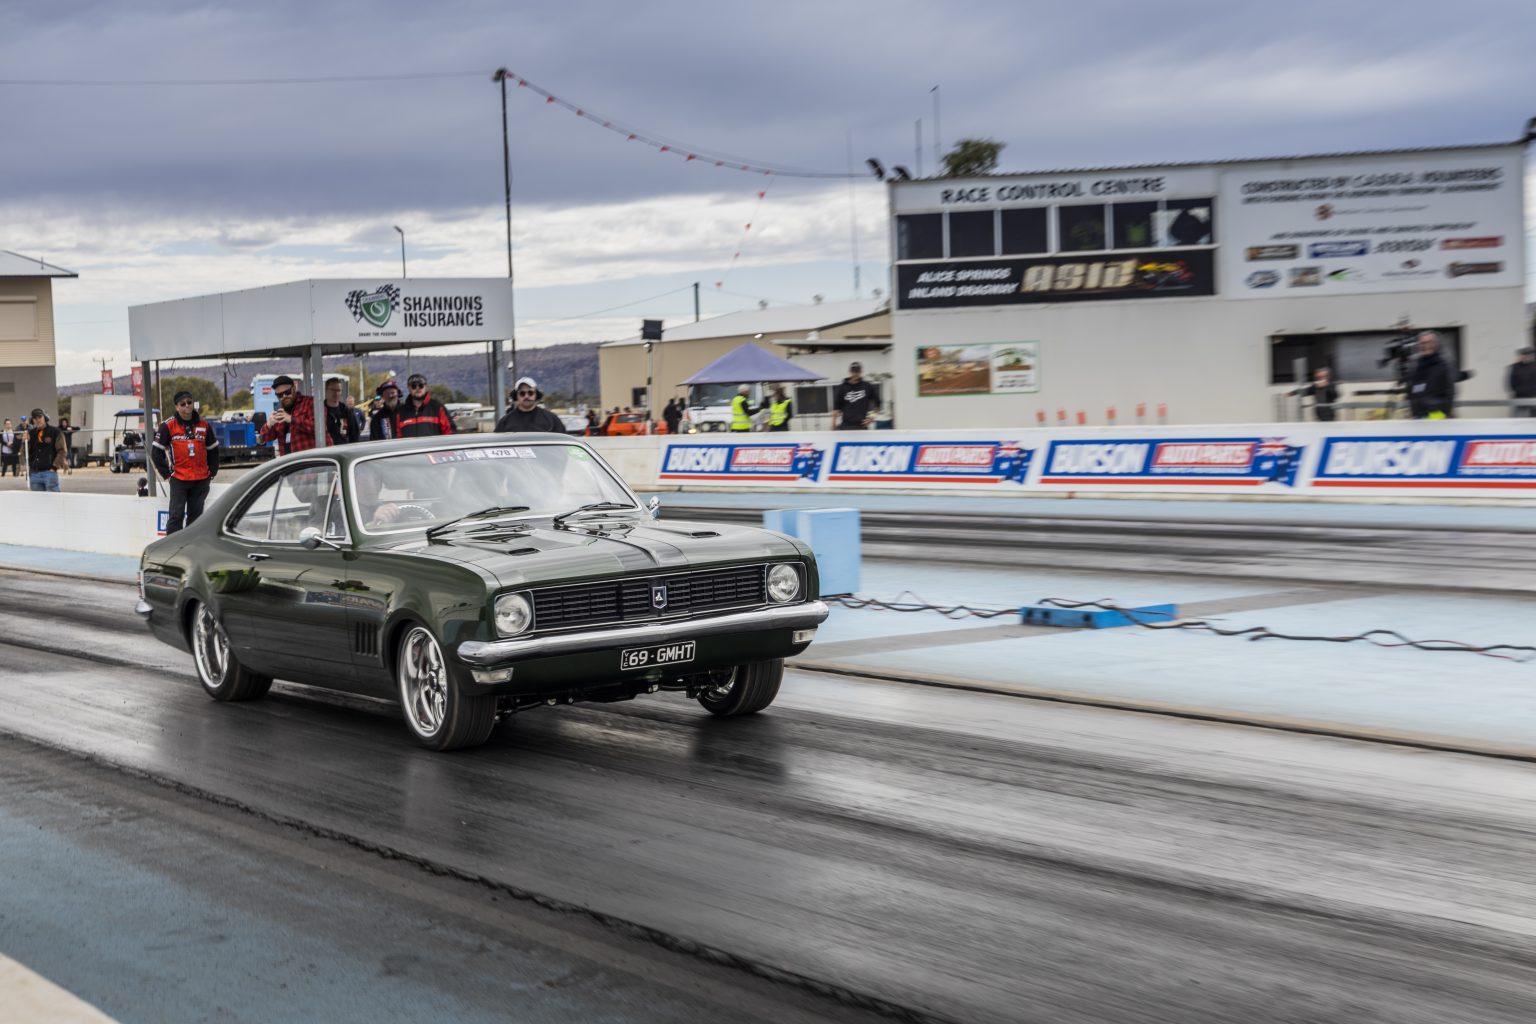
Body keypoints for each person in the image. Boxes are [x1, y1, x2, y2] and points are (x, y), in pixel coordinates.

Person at [151, 390, 220, 533]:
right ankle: (172, 550)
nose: (187, 406)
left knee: (195, 520)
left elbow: (213, 450)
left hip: (201, 480)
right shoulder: (168, 425)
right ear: (177, 407)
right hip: (179, 480)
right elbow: (156, 453)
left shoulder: (204, 425)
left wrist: (212, 473)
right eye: (183, 404)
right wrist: (168, 475)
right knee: (176, 516)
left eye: (189, 402)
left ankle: (191, 551)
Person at [256, 375, 317, 455]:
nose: (284, 397)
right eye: (280, 395)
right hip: (289, 462)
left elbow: (318, 428)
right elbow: (264, 439)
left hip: (309, 460)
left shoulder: (309, 402)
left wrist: (292, 419)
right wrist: (269, 424)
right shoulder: (279, 410)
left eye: (287, 392)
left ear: (294, 388)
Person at [1407, 331, 1455, 419]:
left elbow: (1450, 392)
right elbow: (1412, 391)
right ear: (1418, 345)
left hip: (1437, 415)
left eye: (1429, 342)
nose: (1426, 346)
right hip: (1418, 415)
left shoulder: (1444, 364)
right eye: (1423, 343)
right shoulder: (1416, 365)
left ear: (1436, 344)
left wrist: (1443, 414)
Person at [495, 376, 566, 433]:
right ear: (516, 396)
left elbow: (564, 442)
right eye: (522, 393)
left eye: (530, 393)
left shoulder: (551, 420)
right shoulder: (505, 422)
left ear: (536, 395)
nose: (526, 396)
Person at [25, 408, 64, 492]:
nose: (37, 420)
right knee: (38, 503)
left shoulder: (55, 432)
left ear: (45, 418)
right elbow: (25, 451)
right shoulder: (30, 433)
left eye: (40, 417)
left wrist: (54, 467)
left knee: (54, 500)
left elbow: (62, 451)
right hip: (34, 473)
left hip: (49, 472)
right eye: (35, 418)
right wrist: (25, 442)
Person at [833, 361, 880, 430]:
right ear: (849, 372)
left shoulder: (867, 386)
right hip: (845, 427)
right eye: (853, 371)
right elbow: (836, 408)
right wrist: (833, 424)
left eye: (857, 371)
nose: (855, 374)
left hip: (862, 426)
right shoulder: (841, 387)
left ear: (861, 372)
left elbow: (878, 403)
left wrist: (871, 418)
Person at [323, 376, 360, 445]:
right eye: (333, 390)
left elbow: (355, 434)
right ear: (326, 390)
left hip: (344, 450)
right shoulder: (320, 411)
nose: (336, 393)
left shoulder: (347, 411)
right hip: (325, 451)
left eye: (338, 390)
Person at [1507, 347, 1536, 417]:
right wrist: (1519, 392)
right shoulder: (1514, 367)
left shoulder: (1534, 366)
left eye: (1527, 355)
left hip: (1533, 398)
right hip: (1519, 398)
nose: (1524, 356)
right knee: (1518, 420)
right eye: (1522, 355)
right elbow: (1511, 383)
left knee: (1533, 421)